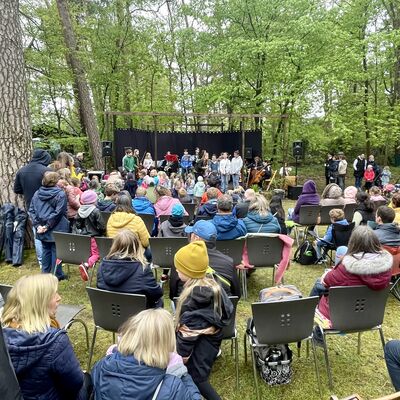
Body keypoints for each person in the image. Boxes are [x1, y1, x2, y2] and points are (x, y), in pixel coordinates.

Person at [2, 274, 88, 400]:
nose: (59, 298)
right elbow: (76, 383)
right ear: (40, 302)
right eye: (54, 294)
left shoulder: (3, 334)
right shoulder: (55, 342)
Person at [91, 308, 201, 399]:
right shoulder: (173, 385)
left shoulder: (101, 366)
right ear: (166, 343)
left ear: (129, 333)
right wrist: (181, 373)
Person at [174, 241, 233, 400]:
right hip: (210, 340)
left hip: (201, 346)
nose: (176, 269)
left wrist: (181, 357)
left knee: (198, 379)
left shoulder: (195, 299)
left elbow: (189, 334)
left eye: (179, 267)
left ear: (190, 271)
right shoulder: (211, 284)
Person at [316, 226, 392, 323]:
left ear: (353, 243)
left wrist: (328, 274)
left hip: (340, 315)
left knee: (318, 284)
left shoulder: (345, 268)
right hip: (370, 317)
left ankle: (313, 321)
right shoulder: (386, 268)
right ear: (375, 242)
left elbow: (326, 282)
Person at [170, 220, 241, 300]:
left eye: (190, 234)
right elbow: (236, 295)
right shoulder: (229, 262)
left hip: (186, 308)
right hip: (221, 310)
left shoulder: (182, 259)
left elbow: (173, 295)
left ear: (195, 238)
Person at [97, 230, 163, 308]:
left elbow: (100, 289)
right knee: (158, 303)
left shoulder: (102, 266)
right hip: (137, 318)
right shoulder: (143, 270)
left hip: (108, 314)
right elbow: (156, 294)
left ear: (114, 245)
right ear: (136, 246)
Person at [14, 149, 53, 268]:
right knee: (50, 232)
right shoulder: (47, 171)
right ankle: (51, 260)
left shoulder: (21, 171)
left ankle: (42, 262)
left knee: (37, 233)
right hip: (48, 206)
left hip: (31, 205)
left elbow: (17, 190)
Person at [29, 171, 68, 280]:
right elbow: (58, 213)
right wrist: (42, 226)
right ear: (55, 181)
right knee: (55, 250)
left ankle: (46, 274)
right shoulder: (60, 194)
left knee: (46, 249)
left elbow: (31, 210)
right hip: (55, 226)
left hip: (43, 226)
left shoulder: (37, 193)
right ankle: (56, 274)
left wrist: (40, 226)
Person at [72, 190, 105, 281]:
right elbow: (102, 226)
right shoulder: (95, 211)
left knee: (88, 252)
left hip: (83, 237)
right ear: (93, 200)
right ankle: (86, 265)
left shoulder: (80, 210)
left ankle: (86, 263)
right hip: (94, 237)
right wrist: (102, 232)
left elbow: (78, 225)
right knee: (96, 254)